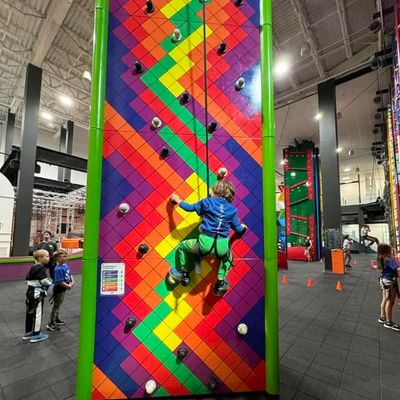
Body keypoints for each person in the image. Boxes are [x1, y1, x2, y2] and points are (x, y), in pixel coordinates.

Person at [170, 181, 246, 296]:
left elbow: (189, 208)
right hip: (222, 247)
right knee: (228, 258)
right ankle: (220, 282)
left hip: (204, 244)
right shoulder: (232, 210)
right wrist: (243, 228)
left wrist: (177, 199)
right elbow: (239, 230)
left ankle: (184, 274)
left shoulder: (207, 202)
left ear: (216, 191)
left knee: (183, 246)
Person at [23, 249, 53, 343]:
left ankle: (28, 332)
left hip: (30, 291)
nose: (49, 258)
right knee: (37, 313)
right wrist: (51, 283)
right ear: (40, 258)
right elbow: (44, 281)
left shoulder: (33, 267)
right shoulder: (40, 267)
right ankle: (36, 334)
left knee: (30, 312)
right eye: (47, 256)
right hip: (37, 292)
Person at [46, 250, 75, 331]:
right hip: (59, 289)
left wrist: (72, 282)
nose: (66, 258)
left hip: (63, 289)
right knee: (56, 306)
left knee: (59, 304)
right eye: (64, 256)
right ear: (57, 258)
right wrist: (68, 286)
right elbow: (59, 281)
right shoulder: (58, 269)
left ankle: (56, 318)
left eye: (67, 256)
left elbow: (70, 274)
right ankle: (51, 323)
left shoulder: (65, 265)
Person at [377, 243, 400, 331]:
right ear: (387, 251)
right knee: (390, 302)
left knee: (385, 299)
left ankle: (382, 317)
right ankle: (388, 322)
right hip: (390, 282)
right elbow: (398, 268)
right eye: (390, 250)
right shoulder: (389, 260)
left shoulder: (382, 258)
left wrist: (393, 255)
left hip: (385, 280)